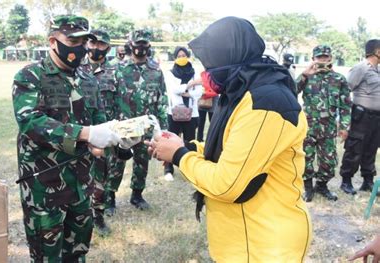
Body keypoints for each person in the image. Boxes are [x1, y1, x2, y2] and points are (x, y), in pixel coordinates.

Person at [147, 17, 311, 262]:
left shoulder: (266, 102)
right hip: (241, 238)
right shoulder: (239, 89)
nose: (207, 72)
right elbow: (232, 149)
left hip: (264, 245)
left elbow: (227, 184)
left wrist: (180, 156)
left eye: (211, 63)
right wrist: (183, 146)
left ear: (229, 55)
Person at [12, 15, 124, 261]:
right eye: (73, 40)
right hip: (45, 187)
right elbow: (31, 122)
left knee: (77, 253)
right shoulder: (30, 76)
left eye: (85, 41)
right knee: (47, 256)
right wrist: (86, 134)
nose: (80, 48)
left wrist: (116, 138)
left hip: (82, 184)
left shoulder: (88, 80)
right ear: (53, 41)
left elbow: (99, 122)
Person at [108, 29, 168, 211]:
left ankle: (137, 195)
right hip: (122, 126)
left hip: (145, 127)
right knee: (116, 162)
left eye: (144, 44)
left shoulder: (156, 71)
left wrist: (163, 128)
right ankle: (109, 197)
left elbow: (162, 99)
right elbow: (111, 97)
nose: (140, 47)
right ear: (130, 45)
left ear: (149, 45)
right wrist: (110, 123)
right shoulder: (118, 69)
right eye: (137, 43)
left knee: (142, 162)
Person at [78, 29, 124, 236]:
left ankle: (98, 217)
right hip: (81, 132)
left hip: (105, 133)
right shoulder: (76, 69)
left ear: (108, 48)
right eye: (93, 43)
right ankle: (78, 215)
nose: (96, 48)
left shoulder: (116, 72)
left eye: (101, 45)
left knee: (101, 176)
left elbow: (122, 103)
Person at [296, 45, 351, 202]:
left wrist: (345, 126)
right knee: (306, 158)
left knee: (328, 161)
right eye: (319, 57)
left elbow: (346, 105)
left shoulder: (339, 79)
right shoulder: (307, 77)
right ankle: (307, 188)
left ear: (331, 58)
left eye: (325, 57)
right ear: (313, 59)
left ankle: (321, 186)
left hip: (328, 128)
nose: (322, 60)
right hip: (308, 127)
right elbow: (290, 90)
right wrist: (304, 75)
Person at [339, 39, 380, 195]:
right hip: (361, 116)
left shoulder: (377, 70)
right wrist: (345, 117)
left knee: (371, 148)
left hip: (376, 118)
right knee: (355, 148)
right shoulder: (361, 68)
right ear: (377, 52)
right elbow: (345, 90)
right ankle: (346, 181)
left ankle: (367, 181)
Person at [163, 46, 202, 181]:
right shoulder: (169, 73)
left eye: (184, 55)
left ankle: (189, 170)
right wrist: (191, 84)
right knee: (170, 140)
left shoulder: (195, 72)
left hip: (192, 113)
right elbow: (174, 89)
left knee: (190, 141)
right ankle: (168, 168)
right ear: (175, 58)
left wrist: (188, 92)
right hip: (174, 111)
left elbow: (199, 92)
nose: (181, 58)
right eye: (178, 56)